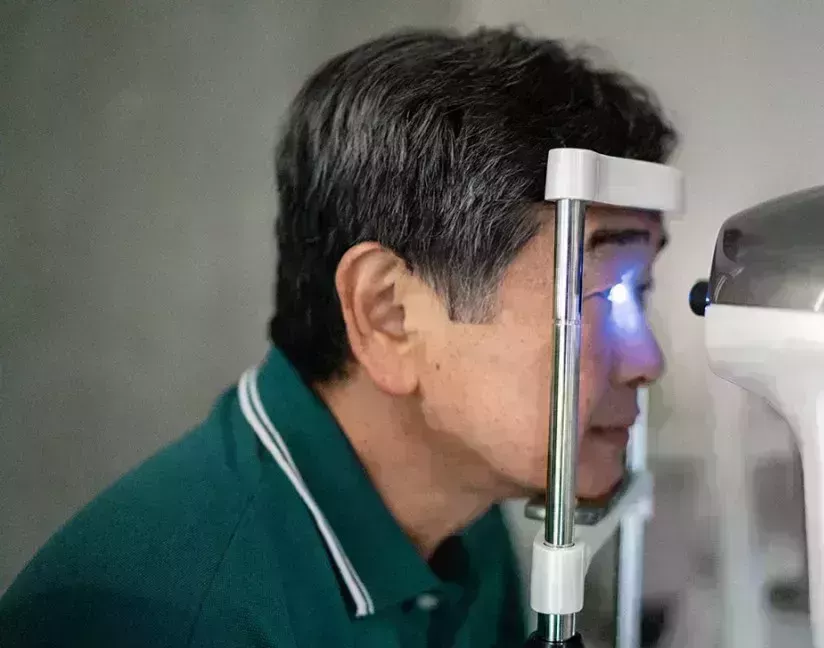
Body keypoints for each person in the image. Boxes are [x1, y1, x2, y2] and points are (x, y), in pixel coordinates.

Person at [0, 26, 677, 647]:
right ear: (389, 314)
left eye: (639, 294)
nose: (648, 360)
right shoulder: (163, 621)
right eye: (602, 294)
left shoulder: (462, 522)